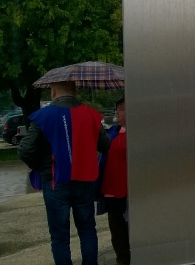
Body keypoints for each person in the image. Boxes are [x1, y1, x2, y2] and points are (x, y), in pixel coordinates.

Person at [18, 80, 111, 265]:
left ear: (53, 92)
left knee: (59, 236)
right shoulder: (91, 114)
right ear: (75, 91)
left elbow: (25, 150)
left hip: (55, 181)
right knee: (87, 230)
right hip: (85, 180)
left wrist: (42, 166)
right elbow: (105, 145)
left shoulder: (43, 116)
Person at [97, 98, 130, 264]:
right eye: (117, 108)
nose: (117, 112)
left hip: (131, 191)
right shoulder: (111, 132)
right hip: (111, 190)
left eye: (121, 109)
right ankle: (122, 259)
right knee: (117, 230)